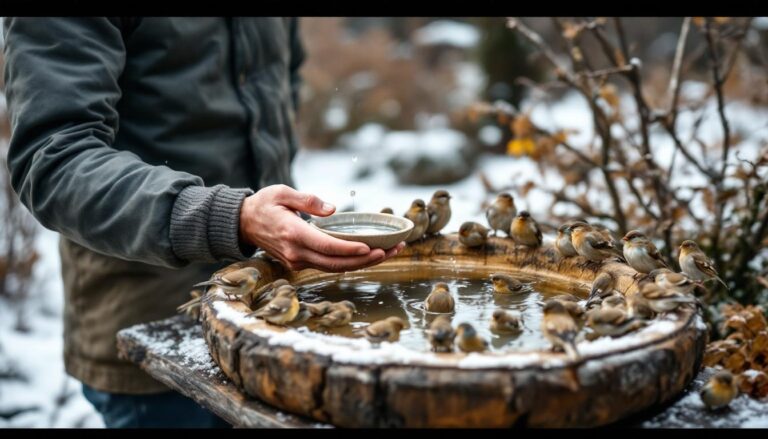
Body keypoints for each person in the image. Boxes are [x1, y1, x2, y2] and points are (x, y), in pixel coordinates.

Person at [2, 17, 404, 428]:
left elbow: (279, 80)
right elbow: (54, 159)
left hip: (271, 321)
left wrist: (277, 203)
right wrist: (230, 218)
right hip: (155, 333)